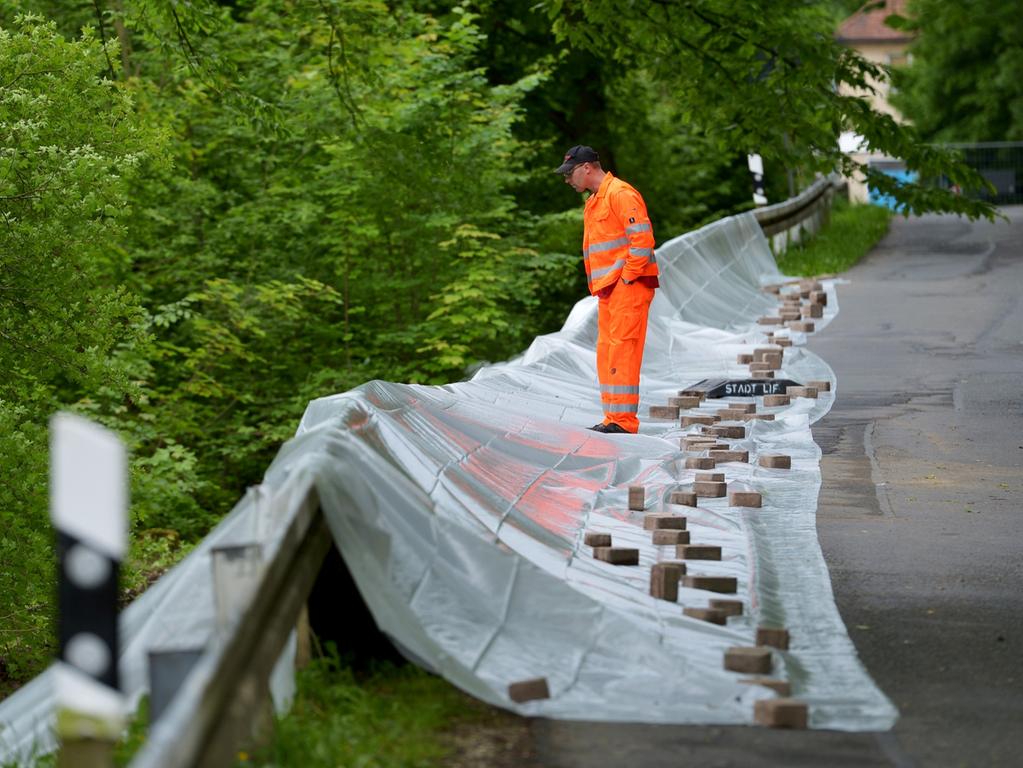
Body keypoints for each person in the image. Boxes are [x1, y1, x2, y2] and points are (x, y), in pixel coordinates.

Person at [555, 145, 659, 434]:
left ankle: (623, 421)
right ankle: (613, 417)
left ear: (586, 167)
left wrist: (626, 278)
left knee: (623, 350)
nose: (567, 180)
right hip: (610, 289)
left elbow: (642, 240)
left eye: (569, 173)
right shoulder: (597, 200)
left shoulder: (620, 194)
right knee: (609, 352)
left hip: (627, 286)